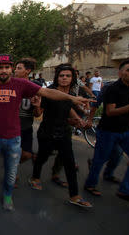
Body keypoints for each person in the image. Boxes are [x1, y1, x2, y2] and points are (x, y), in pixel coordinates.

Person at [0, 54, 92, 211]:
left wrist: (71, 98)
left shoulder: (20, 84)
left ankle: (7, 194)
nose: (3, 70)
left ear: (11, 69)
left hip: (13, 139)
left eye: (7, 67)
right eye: (0, 67)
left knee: (11, 172)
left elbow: (47, 92)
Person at [28, 64, 92, 208]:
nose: (64, 78)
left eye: (68, 76)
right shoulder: (49, 92)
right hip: (47, 132)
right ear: (57, 77)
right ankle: (35, 177)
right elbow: (38, 114)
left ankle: (74, 195)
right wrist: (37, 105)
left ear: (72, 78)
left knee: (69, 162)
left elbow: (68, 108)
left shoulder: (71, 93)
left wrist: (79, 120)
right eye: (61, 75)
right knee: (42, 157)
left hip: (63, 132)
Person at [84, 59, 129, 205]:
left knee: (125, 156)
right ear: (120, 73)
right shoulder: (111, 89)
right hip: (108, 131)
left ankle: (125, 190)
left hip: (127, 130)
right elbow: (110, 111)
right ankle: (90, 184)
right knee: (101, 158)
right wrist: (89, 119)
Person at [13, 58, 42, 186]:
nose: (15, 70)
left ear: (28, 71)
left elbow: (38, 114)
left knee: (27, 154)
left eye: (19, 68)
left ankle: (12, 166)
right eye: (16, 68)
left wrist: (36, 105)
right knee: (12, 152)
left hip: (26, 128)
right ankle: (11, 172)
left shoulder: (35, 88)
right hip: (12, 127)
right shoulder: (11, 84)